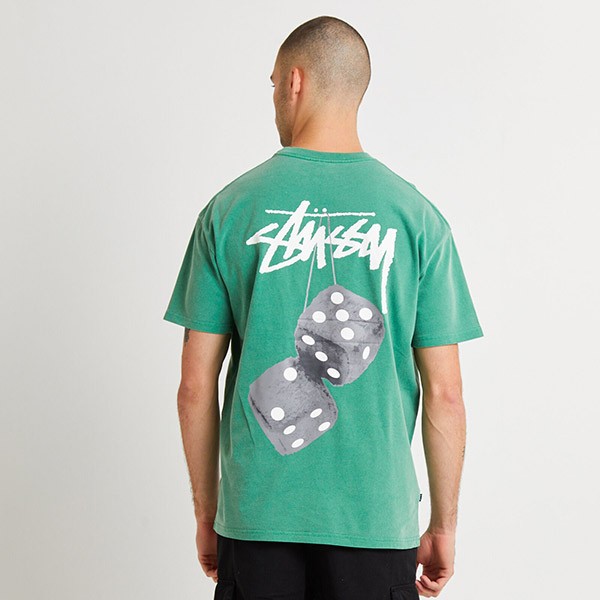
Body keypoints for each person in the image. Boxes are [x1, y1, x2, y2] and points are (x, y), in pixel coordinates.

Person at [163, 15, 484, 600]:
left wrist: (209, 512)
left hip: (255, 520)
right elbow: (446, 394)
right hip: (376, 523)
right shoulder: (418, 219)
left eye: (272, 86)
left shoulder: (228, 210)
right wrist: (443, 525)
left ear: (294, 82)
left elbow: (193, 386)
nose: (274, 102)